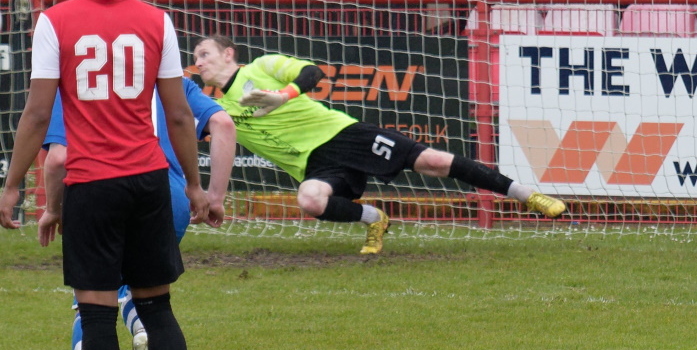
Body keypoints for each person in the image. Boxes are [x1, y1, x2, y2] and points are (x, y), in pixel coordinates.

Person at [0, 0, 210, 350]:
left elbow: (37, 115)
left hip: (92, 183)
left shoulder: (55, 22)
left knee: (95, 314)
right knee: (157, 307)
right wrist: (194, 185)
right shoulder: (157, 21)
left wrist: (13, 186)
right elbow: (180, 116)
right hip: (148, 179)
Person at [192, 36, 566, 255]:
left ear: (229, 54)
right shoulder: (218, 111)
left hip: (343, 135)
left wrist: (283, 96)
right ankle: (375, 219)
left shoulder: (262, 66)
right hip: (316, 166)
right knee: (310, 200)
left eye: (204, 53)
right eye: (194, 59)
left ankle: (527, 195)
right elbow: (186, 132)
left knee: (434, 162)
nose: (199, 62)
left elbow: (312, 73)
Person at [41, 80, 235, 350]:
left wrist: (53, 208)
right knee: (153, 299)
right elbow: (224, 124)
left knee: (92, 308)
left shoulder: (75, 80)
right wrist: (214, 195)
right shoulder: (171, 81)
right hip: (164, 194)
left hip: (99, 190)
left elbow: (58, 158)